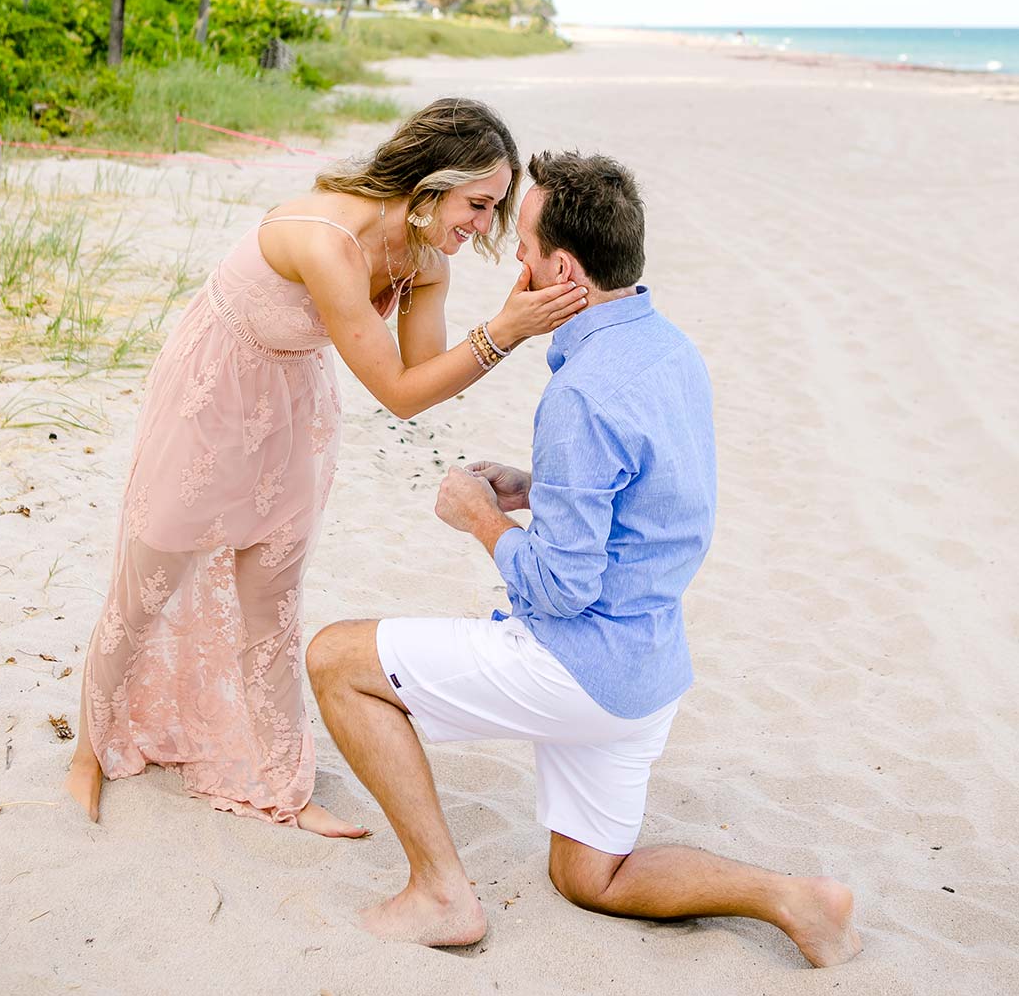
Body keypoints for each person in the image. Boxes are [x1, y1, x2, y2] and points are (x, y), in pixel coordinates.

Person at [306, 151, 862, 966]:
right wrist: (541, 487)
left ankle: (439, 890)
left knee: (333, 658)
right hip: (649, 670)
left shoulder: (578, 394)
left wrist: (480, 520)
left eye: (525, 249)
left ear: (564, 269)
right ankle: (799, 899)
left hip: (576, 666)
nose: (516, 263)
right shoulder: (671, 349)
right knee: (589, 875)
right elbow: (659, 497)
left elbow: (562, 589)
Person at [65, 100, 587, 835]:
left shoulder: (425, 257)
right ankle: (88, 754)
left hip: (293, 401)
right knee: (148, 578)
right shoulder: (326, 242)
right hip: (213, 392)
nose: (481, 225)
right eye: (477, 204)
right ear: (431, 183)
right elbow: (399, 393)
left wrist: (503, 326)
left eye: (495, 208)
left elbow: (423, 377)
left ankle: (279, 782)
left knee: (271, 596)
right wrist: (503, 332)